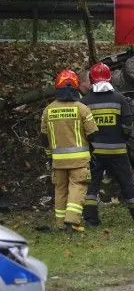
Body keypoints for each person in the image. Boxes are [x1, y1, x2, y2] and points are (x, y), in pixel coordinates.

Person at [81, 62, 134, 225]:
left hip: (94, 153)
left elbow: (82, 129)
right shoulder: (120, 99)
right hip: (118, 151)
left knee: (91, 186)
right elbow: (127, 127)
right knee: (127, 183)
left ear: (92, 79)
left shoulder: (85, 102)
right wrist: (121, 139)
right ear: (110, 79)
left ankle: (91, 219)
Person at [40, 70, 98, 233]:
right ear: (76, 87)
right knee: (77, 187)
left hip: (58, 160)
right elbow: (93, 134)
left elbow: (44, 137)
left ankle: (59, 223)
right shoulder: (82, 109)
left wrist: (49, 155)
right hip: (79, 160)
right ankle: (71, 222)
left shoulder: (48, 110)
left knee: (60, 189)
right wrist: (91, 151)